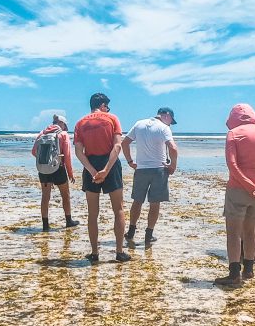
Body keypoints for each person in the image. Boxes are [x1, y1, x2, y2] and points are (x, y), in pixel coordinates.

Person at [214, 103, 255, 287]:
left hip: (238, 188)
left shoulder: (233, 134)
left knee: (234, 233)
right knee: (250, 231)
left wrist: (248, 185)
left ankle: (234, 274)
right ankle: (248, 270)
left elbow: (232, 165)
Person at [73, 92, 131, 263]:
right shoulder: (112, 118)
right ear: (103, 105)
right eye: (107, 106)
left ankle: (94, 253)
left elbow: (78, 151)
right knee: (118, 209)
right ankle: (119, 252)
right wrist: (106, 170)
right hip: (110, 163)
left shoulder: (80, 122)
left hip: (91, 163)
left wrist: (92, 171)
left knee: (93, 213)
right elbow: (118, 146)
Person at [122, 107, 179, 247]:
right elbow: (173, 148)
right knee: (155, 203)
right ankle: (149, 234)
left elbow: (124, 143)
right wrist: (173, 166)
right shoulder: (164, 128)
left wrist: (130, 161)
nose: (170, 123)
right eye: (171, 120)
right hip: (159, 169)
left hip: (141, 169)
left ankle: (131, 231)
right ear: (166, 115)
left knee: (137, 201)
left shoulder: (139, 124)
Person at [31, 114, 79, 231]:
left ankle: (45, 225)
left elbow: (33, 152)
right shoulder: (63, 134)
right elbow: (67, 156)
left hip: (43, 169)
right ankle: (68, 221)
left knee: (45, 196)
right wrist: (70, 173)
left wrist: (46, 164)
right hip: (58, 168)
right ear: (62, 123)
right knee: (65, 195)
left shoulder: (42, 133)